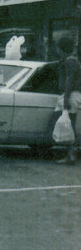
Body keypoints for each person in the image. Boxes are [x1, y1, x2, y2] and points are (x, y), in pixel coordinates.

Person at [55, 35, 80, 165]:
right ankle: (70, 154)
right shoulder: (69, 60)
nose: (57, 50)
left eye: (58, 48)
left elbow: (69, 81)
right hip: (70, 94)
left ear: (62, 48)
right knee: (68, 126)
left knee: (69, 125)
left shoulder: (70, 61)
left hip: (70, 95)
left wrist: (65, 100)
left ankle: (71, 155)